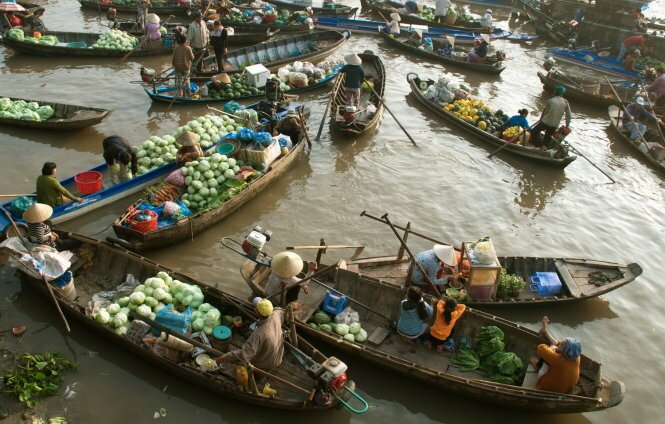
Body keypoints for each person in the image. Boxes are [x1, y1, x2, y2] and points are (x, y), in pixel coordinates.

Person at [215, 298, 285, 371]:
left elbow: (244, 355)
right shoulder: (276, 315)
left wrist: (224, 357)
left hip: (266, 364)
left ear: (257, 312)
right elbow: (279, 309)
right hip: (278, 358)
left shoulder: (259, 334)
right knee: (248, 335)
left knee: (242, 358)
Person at [530, 316, 581, 394]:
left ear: (564, 351)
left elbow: (540, 348)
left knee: (552, 347)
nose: (560, 342)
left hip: (549, 388)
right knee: (554, 347)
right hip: (567, 388)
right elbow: (558, 345)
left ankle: (537, 367)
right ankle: (545, 332)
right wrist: (545, 332)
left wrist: (552, 349)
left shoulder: (557, 359)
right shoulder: (576, 357)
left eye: (562, 344)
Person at [531, 85, 571, 149]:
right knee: (547, 137)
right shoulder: (566, 102)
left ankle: (540, 146)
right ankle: (544, 147)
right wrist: (567, 126)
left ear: (555, 92)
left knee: (533, 132)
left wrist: (541, 120)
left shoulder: (551, 100)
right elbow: (569, 115)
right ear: (562, 94)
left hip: (545, 122)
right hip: (555, 125)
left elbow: (544, 112)